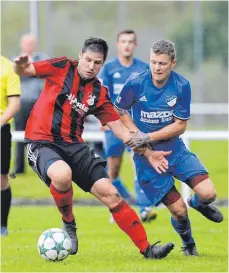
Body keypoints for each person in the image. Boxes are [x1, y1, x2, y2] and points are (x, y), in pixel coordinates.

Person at [13, 37, 174, 259]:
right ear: (80, 55)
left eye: (97, 63)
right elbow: (25, 70)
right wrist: (19, 66)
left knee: (112, 194)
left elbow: (121, 131)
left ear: (103, 63)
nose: (91, 66)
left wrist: (148, 153)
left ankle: (148, 250)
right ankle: (69, 223)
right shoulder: (61, 66)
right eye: (88, 60)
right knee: (62, 175)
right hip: (42, 143)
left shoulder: (99, 93)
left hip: (75, 146)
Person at [114, 39, 224, 256]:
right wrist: (137, 134)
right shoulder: (136, 83)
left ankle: (197, 202)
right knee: (178, 210)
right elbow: (119, 110)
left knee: (209, 193)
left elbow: (180, 126)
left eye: (162, 63)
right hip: (147, 158)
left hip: (175, 150)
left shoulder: (182, 85)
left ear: (173, 63)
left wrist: (148, 135)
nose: (157, 68)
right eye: (153, 62)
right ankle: (189, 244)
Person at [99, 29, 156, 223]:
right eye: (123, 41)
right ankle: (118, 206)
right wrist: (103, 121)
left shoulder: (143, 68)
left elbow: (148, 96)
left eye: (131, 41)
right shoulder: (109, 68)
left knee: (139, 164)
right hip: (114, 126)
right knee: (112, 171)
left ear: (135, 45)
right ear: (118, 45)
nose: (127, 45)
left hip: (134, 125)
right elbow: (102, 96)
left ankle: (144, 208)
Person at [13, 33, 48, 174]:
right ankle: (19, 168)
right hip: (20, 104)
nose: (29, 46)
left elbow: (46, 73)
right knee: (19, 135)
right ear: (22, 45)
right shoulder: (15, 61)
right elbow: (14, 75)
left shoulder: (42, 58)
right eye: (26, 43)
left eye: (31, 43)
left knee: (40, 136)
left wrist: (28, 71)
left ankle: (40, 166)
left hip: (38, 104)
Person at [1, 56, 21, 236]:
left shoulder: (8, 68)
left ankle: (2, 227)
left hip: (1, 130)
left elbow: (14, 104)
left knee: (1, 179)